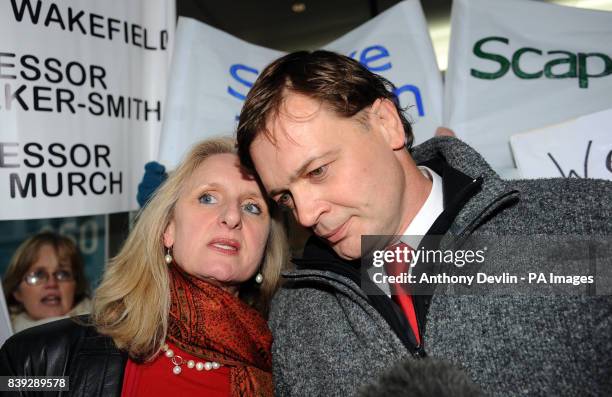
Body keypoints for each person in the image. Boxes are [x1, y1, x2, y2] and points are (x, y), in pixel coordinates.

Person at [236, 50, 612, 396]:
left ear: (386, 124)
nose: (305, 214)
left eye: (318, 171)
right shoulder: (297, 314)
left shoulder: (580, 220)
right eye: (285, 197)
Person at [0, 137, 288, 397]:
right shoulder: (40, 363)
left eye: (252, 207)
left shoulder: (293, 364)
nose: (231, 216)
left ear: (265, 245)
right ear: (168, 229)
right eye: (207, 198)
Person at [2, 232, 91, 333]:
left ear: (76, 286)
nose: (52, 283)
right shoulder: (5, 337)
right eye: (38, 275)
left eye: (63, 274)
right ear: (17, 291)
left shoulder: (103, 332)